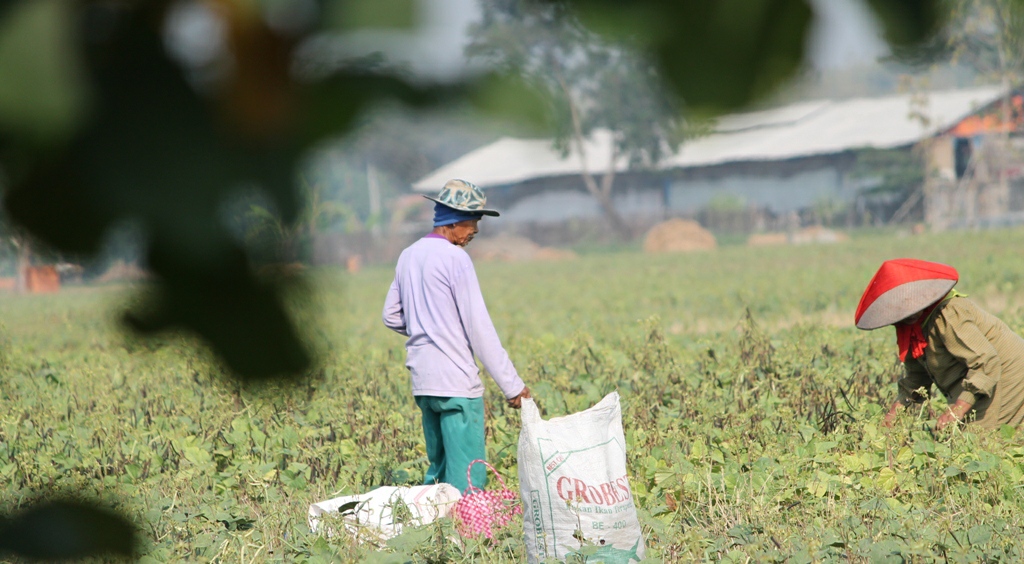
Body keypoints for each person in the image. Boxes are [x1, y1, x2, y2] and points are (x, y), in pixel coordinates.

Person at [382, 178, 531, 493]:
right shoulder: (455, 259)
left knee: (437, 475)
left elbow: (391, 315)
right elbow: (479, 329)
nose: (474, 231)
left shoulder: (408, 255)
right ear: (453, 220)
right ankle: (469, 537)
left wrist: (428, 328)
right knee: (468, 479)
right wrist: (513, 387)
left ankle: (434, 533)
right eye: (472, 223)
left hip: (424, 383)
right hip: (456, 384)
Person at [855, 258, 1024, 430]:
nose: (906, 311)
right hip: (983, 377)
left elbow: (986, 362)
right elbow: (917, 377)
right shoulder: (912, 328)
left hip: (1007, 375)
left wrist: (958, 409)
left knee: (982, 443)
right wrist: (894, 414)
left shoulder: (949, 313)